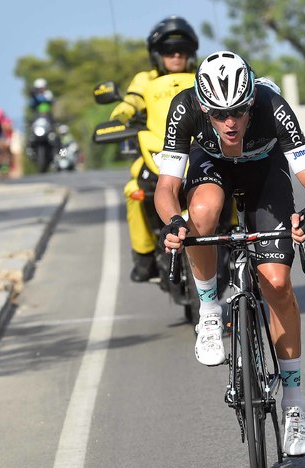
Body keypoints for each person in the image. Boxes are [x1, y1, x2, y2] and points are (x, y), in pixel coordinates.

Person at [155, 51, 305, 457]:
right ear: (203, 107)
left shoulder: (273, 106)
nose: (230, 122)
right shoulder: (184, 108)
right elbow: (166, 189)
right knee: (201, 214)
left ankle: (294, 405)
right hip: (211, 168)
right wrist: (172, 222)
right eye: (219, 114)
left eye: (237, 111)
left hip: (264, 174)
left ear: (251, 100)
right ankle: (210, 312)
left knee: (277, 283)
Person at [109, 15, 199, 282]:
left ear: (190, 53)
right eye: (168, 50)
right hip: (157, 153)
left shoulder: (201, 76)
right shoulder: (144, 80)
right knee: (132, 190)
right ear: (157, 55)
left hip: (199, 149)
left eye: (181, 50)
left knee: (232, 175)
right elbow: (130, 102)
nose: (175, 55)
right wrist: (119, 117)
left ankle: (230, 232)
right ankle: (144, 256)